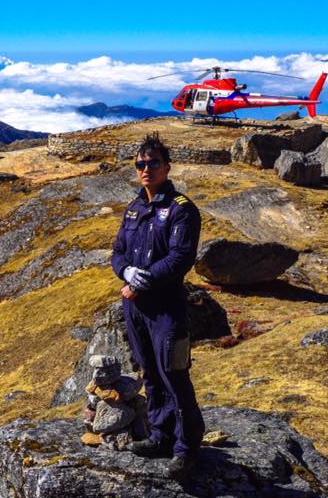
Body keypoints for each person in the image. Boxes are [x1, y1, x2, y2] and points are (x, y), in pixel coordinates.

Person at [110, 133, 205, 481]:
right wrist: (125, 270)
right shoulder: (134, 208)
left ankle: (186, 448)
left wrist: (141, 279)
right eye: (140, 164)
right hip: (137, 311)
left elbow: (181, 257)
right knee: (149, 373)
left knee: (174, 375)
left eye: (152, 163)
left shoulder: (181, 209)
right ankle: (160, 435)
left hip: (166, 309)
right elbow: (118, 252)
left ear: (167, 167)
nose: (145, 169)